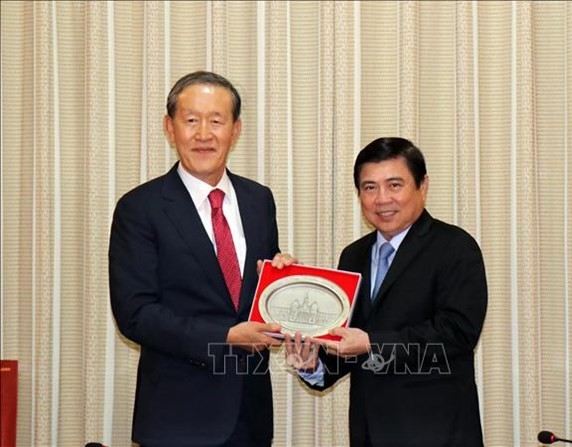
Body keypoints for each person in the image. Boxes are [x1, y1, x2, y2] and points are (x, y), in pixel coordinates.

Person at [109, 71, 294, 446]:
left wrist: (282, 283)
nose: (204, 134)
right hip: (176, 417)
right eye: (191, 120)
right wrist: (225, 336)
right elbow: (135, 313)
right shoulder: (140, 208)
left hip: (250, 414)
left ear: (236, 129)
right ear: (170, 127)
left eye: (216, 121)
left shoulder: (259, 200)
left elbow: (252, 300)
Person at [286, 137, 488, 446]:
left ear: (423, 186)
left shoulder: (455, 247)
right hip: (369, 431)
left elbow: (457, 333)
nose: (382, 199)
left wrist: (371, 343)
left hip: (437, 431)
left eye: (394, 185)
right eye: (370, 187)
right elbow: (348, 344)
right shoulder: (352, 256)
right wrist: (313, 364)